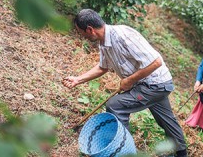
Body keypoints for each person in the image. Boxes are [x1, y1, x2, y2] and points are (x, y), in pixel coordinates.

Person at [62, 9, 187, 156]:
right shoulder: (104, 43)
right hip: (152, 84)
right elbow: (103, 67)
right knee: (166, 120)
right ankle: (181, 153)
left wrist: (129, 80)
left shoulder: (123, 36)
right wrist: (78, 79)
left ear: (90, 29)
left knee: (115, 105)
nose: (81, 36)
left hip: (155, 84)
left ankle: (124, 151)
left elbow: (156, 62)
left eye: (81, 32)